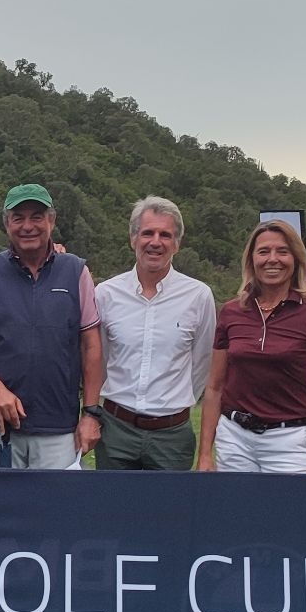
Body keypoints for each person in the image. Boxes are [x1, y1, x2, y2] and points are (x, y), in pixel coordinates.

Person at [0, 184, 103, 470]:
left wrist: (91, 414)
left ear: (52, 221)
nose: (27, 226)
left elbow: (91, 346)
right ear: (6, 224)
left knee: (55, 501)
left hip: (58, 427)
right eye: (18, 218)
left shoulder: (76, 271)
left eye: (37, 216)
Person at [197, 219, 306, 474]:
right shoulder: (231, 311)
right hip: (235, 439)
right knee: (234, 502)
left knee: (286, 503)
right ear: (251, 259)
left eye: (282, 251)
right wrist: (205, 454)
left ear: (296, 259)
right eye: (263, 251)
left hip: (291, 442)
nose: (273, 259)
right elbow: (215, 387)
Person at [93, 196, 216, 471]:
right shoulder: (106, 294)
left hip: (171, 436)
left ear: (177, 244)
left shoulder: (198, 296)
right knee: (110, 500)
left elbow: (202, 364)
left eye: (165, 235)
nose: (155, 242)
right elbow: (99, 361)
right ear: (133, 239)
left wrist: (170, 402)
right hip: (115, 430)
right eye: (148, 233)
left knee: (170, 502)